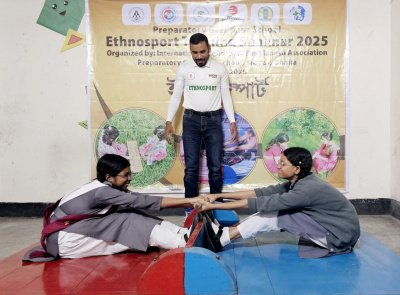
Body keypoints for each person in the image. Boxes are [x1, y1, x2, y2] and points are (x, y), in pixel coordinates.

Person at [196, 147, 360, 258]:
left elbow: (261, 203)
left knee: (276, 214)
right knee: (272, 208)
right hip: (336, 227)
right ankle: (225, 233)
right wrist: (217, 195)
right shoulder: (299, 181)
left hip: (339, 236)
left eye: (283, 164)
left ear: (296, 169)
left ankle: (221, 239)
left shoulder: (306, 189)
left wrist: (213, 205)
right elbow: (261, 192)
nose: (278, 166)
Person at [30, 154, 199, 260]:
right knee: (126, 220)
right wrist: (191, 201)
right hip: (64, 241)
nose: (130, 178)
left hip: (65, 234)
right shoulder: (102, 192)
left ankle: (181, 233)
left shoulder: (101, 185)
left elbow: (136, 199)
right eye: (126, 175)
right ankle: (179, 242)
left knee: (128, 212)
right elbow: (143, 201)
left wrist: (190, 201)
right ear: (109, 177)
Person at [165, 33, 238, 216]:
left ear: (209, 49)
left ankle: (216, 205)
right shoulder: (183, 68)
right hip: (191, 121)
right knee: (191, 168)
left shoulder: (220, 68)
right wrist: (168, 121)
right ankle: (191, 208)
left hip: (214, 121)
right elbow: (176, 96)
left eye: (202, 52)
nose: (199, 56)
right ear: (190, 51)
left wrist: (232, 121)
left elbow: (225, 96)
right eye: (194, 52)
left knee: (215, 167)